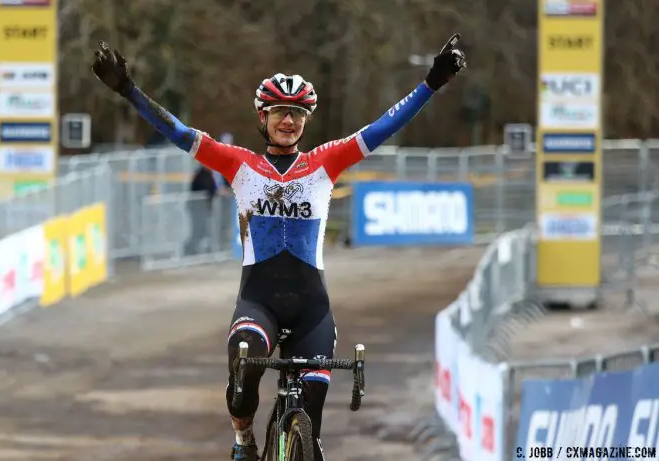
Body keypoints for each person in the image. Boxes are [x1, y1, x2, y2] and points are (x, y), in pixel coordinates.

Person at [91, 34, 466, 461]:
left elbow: (384, 126)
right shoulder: (238, 164)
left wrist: (432, 82)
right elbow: (177, 132)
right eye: (280, 113)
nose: (289, 121)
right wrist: (129, 92)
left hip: (312, 310)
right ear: (262, 117)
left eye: (298, 114)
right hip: (259, 303)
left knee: (313, 418)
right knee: (242, 370)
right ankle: (244, 440)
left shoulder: (326, 161)